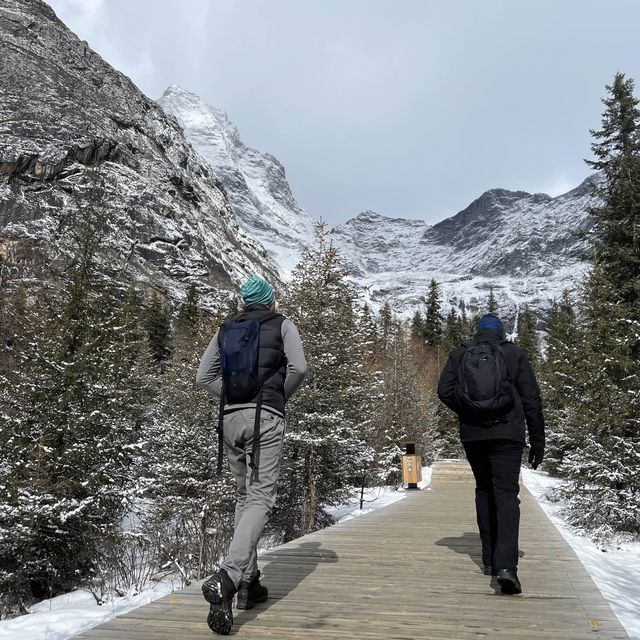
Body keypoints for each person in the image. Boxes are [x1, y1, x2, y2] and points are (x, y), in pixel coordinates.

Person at [196, 275, 307, 634]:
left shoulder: (226, 330)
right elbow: (299, 367)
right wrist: (279, 397)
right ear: (271, 301)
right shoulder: (283, 324)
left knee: (245, 497)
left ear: (245, 303)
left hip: (229, 421)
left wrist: (229, 397)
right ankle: (229, 576)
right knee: (261, 497)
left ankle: (248, 584)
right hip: (266, 419)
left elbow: (202, 377)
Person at [437, 313, 544, 595]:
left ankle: (488, 561)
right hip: (508, 434)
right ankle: (506, 567)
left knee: (484, 489)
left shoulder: (460, 354)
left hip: (474, 435)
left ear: (477, 333)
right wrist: (538, 439)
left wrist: (468, 410)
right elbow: (531, 398)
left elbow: (444, 391)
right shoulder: (514, 354)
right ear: (501, 332)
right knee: (506, 494)